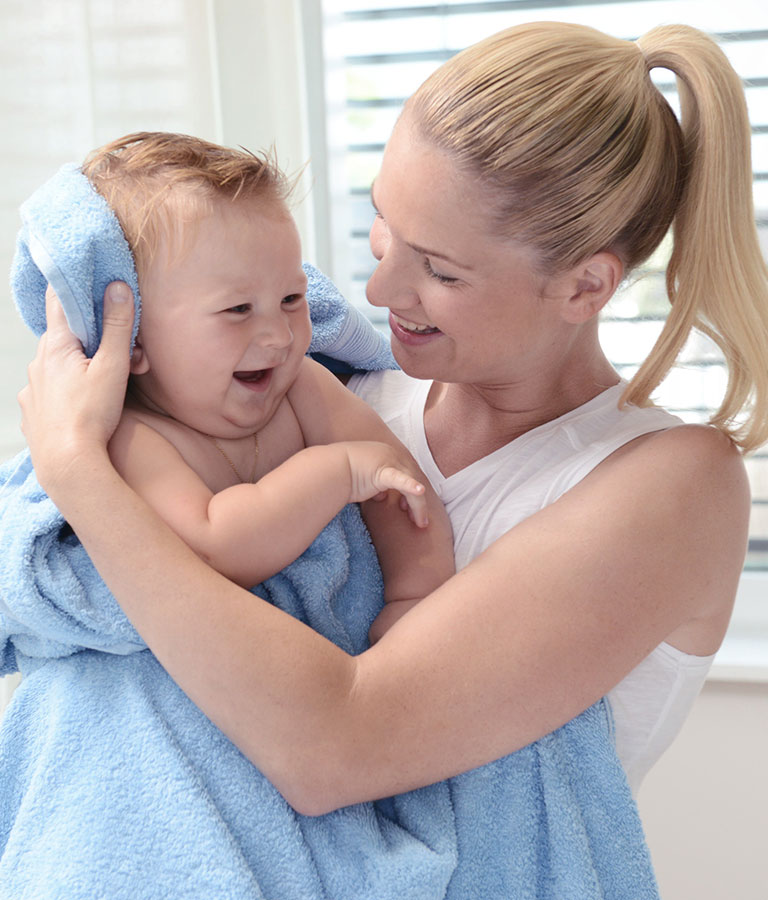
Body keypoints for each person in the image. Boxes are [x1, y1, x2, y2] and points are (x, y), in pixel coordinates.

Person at [16, 16, 767, 883]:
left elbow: (331, 748)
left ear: (586, 285)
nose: (377, 288)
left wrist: (78, 472)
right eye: (383, 228)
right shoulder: (334, 393)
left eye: (440, 270)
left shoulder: (669, 484)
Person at [78, 132, 454, 622]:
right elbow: (212, 550)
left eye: (291, 299)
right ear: (135, 341)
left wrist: (415, 599)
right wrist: (338, 472)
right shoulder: (135, 437)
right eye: (238, 309)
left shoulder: (302, 385)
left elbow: (402, 488)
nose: (280, 336)